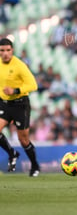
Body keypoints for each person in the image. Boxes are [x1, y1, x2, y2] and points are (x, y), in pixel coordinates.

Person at [0, 38, 40, 177]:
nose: (5, 53)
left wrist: (15, 90)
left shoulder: (19, 65)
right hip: (4, 104)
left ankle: (35, 166)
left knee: (23, 139)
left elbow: (33, 85)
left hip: (20, 104)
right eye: (2, 50)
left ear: (12, 51)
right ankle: (12, 153)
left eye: (8, 50)